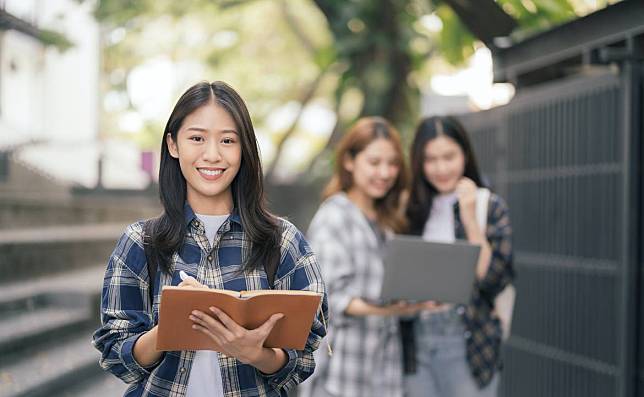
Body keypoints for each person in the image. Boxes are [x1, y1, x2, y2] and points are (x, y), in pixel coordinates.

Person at [92, 81, 328, 397]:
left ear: (244, 148)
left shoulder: (283, 241)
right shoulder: (139, 242)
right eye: (197, 138)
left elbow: (305, 354)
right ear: (173, 145)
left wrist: (254, 352)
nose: (212, 154)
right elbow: (116, 355)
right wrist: (171, 327)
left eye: (228, 140)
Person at [299, 117, 428, 397]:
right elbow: (330, 298)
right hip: (343, 372)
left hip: (384, 370)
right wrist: (392, 310)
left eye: (393, 163)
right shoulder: (335, 215)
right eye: (374, 162)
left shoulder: (387, 221)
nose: (385, 172)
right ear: (349, 161)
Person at [404, 116, 514, 397]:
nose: (441, 168)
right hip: (416, 340)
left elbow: (493, 279)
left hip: (468, 339)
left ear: (465, 154)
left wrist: (469, 217)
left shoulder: (488, 206)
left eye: (449, 156)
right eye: (430, 159)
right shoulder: (410, 208)